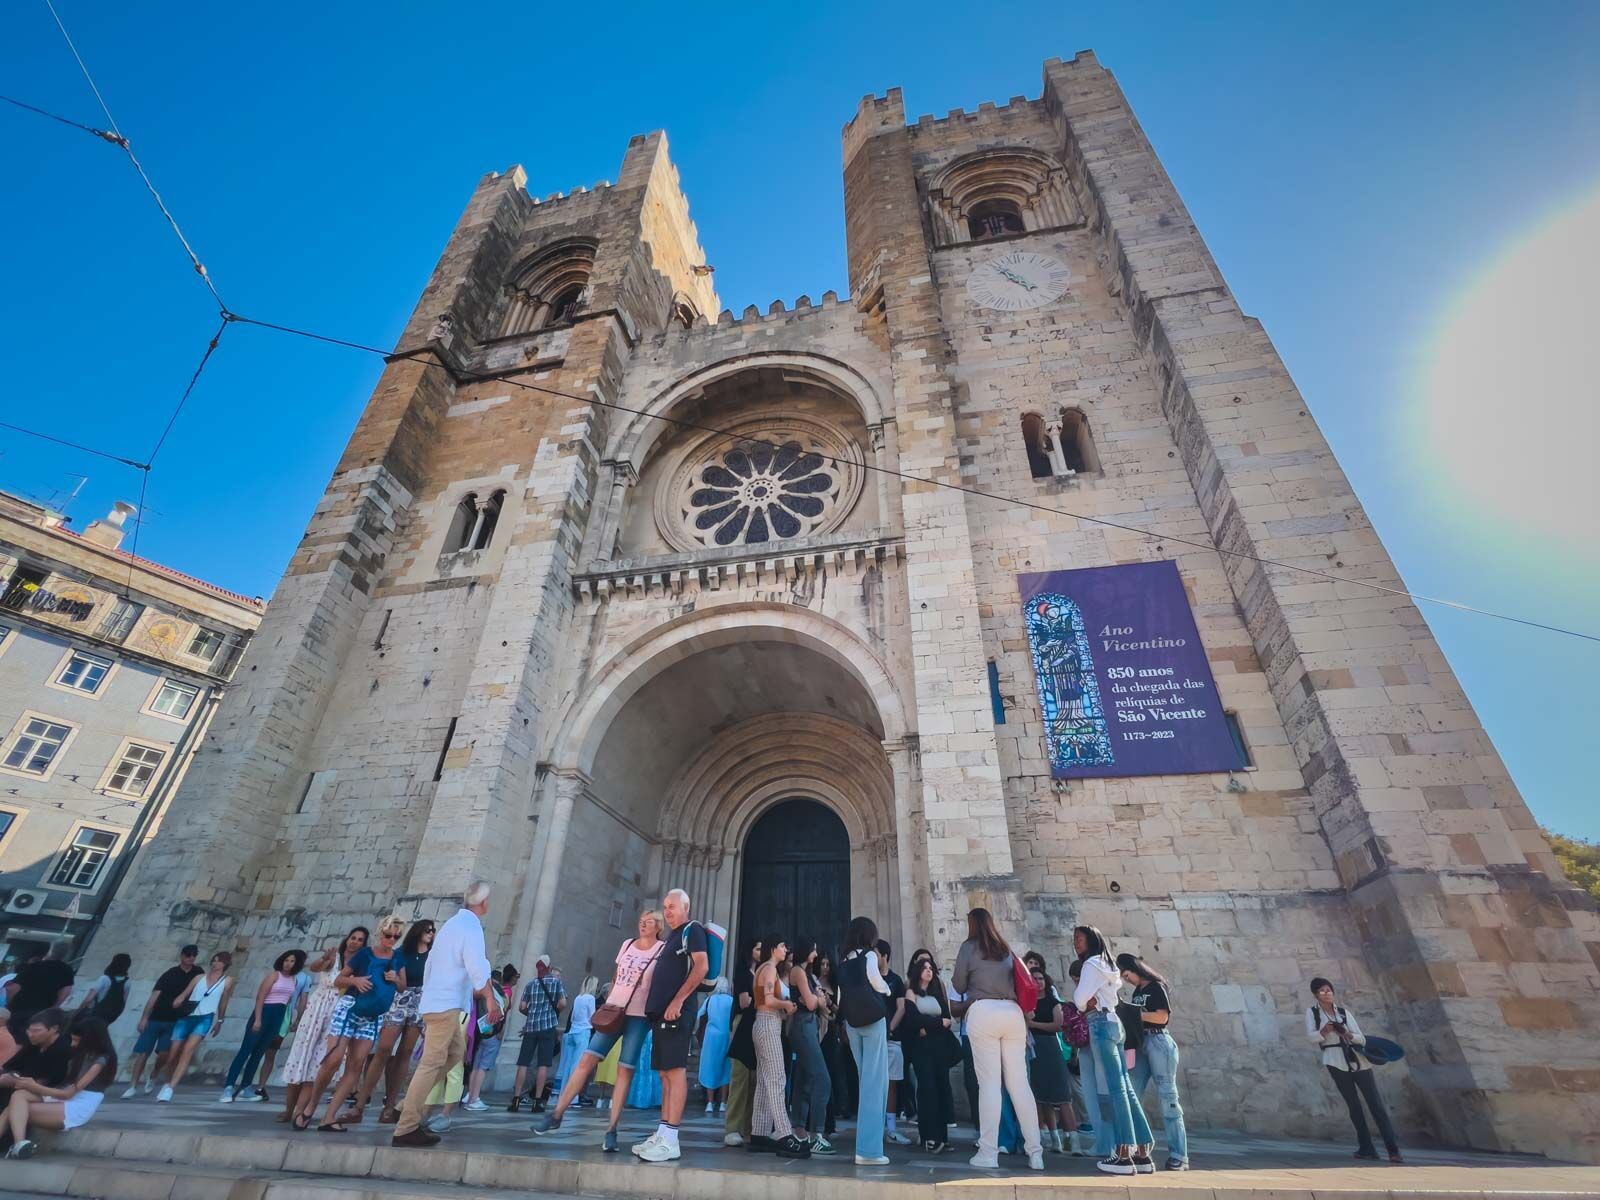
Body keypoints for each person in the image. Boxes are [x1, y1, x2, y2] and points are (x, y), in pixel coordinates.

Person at [533, 909, 664, 1152]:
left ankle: (612, 1129)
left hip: (639, 1016)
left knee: (625, 1070)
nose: (643, 925)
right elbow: (616, 976)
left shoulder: (662, 950)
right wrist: (612, 999)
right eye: (641, 921)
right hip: (614, 1011)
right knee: (587, 1059)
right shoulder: (627, 945)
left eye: (648, 922)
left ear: (658, 925)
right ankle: (556, 1114)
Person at [392, 881, 501, 1148]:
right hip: (444, 1004)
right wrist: (490, 998)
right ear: (484, 903)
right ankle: (406, 1127)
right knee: (432, 1061)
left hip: (440, 1002)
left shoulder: (453, 925)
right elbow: (476, 965)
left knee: (454, 1054)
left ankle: (406, 1105)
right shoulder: (470, 926)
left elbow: (431, 964)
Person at [952, 907, 1043, 1171]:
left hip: (984, 1010)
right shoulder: (1005, 949)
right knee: (1020, 1085)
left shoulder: (969, 947)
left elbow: (958, 986)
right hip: (1013, 1013)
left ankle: (988, 1152)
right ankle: (1035, 1153)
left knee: (990, 1085)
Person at [299, 917, 401, 1131]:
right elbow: (339, 980)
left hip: (373, 1016)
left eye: (396, 936)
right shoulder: (365, 954)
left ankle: (329, 1117)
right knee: (333, 1060)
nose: (392, 939)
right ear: (379, 933)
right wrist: (355, 980)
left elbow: (402, 986)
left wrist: (396, 979)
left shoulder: (397, 958)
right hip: (350, 1008)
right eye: (388, 935)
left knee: (356, 1064)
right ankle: (310, 1107)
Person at [632, 888, 709, 1164]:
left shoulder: (693, 930)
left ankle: (672, 1139)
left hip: (678, 1013)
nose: (667, 911)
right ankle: (662, 1132)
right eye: (665, 907)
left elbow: (701, 967)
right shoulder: (672, 937)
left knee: (675, 1073)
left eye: (672, 906)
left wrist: (677, 1000)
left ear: (685, 907)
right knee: (665, 1073)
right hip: (662, 1016)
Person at [1073, 927, 1153, 1175]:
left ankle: (1122, 1153)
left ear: (1092, 940)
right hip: (1115, 1024)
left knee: (1116, 1089)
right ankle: (1142, 1152)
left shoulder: (1091, 965)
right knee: (1125, 1088)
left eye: (1080, 938)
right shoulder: (1108, 964)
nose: (1076, 943)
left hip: (1100, 1023)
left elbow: (1079, 998)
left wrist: (1085, 1001)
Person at [1306, 978, 1401, 1163]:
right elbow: (1312, 1037)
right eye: (1322, 991)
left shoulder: (1343, 1013)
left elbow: (1361, 1038)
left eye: (1329, 990)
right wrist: (1325, 1031)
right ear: (1316, 995)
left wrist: (1346, 1033)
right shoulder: (1312, 1013)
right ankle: (1367, 1147)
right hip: (1334, 1059)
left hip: (1358, 1060)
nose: (1326, 993)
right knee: (1354, 1105)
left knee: (1375, 1104)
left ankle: (1393, 1149)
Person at [350, 918, 435, 1124]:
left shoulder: (434, 956)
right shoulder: (401, 954)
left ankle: (389, 1106)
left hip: (420, 1001)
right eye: (427, 930)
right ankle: (360, 1104)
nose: (431, 933)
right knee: (384, 1049)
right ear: (418, 932)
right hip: (400, 999)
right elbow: (397, 979)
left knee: (405, 1052)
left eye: (433, 931)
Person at [1, 1016, 116, 1158]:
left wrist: (34, 1086)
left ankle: (19, 1144)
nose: (72, 1044)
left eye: (76, 1041)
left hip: (80, 1102)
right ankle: (20, 1144)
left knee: (14, 1108)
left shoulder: (101, 1060)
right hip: (63, 1094)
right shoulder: (79, 1055)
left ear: (89, 1041)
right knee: (19, 1095)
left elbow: (69, 1094)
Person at [1116, 953, 1188, 1170]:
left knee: (1168, 1097)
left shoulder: (1156, 986)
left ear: (1134, 968)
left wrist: (1134, 1012)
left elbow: (1161, 1017)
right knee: (1133, 1095)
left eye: (1126, 974)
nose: (1126, 979)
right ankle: (1139, 1150)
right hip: (1141, 1043)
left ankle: (1179, 1154)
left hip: (1158, 1041)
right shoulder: (1138, 991)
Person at [280, 931, 360, 1123]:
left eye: (360, 940)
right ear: (347, 939)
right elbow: (315, 968)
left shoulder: (360, 964)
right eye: (353, 938)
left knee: (319, 1060)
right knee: (301, 1055)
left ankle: (300, 1110)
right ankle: (289, 1109)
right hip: (316, 1010)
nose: (355, 942)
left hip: (338, 1011)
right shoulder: (335, 958)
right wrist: (325, 959)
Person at [746, 934, 806, 1158]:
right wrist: (787, 1005)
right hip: (768, 1022)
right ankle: (783, 1132)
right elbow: (768, 1000)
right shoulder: (769, 969)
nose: (785, 949)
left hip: (762, 1023)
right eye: (782, 945)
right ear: (773, 948)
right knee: (777, 1078)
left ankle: (760, 1132)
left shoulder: (762, 969)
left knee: (764, 1079)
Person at [221, 949, 306, 1102]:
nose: (288, 964)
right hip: (265, 1011)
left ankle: (246, 1087)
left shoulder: (294, 980)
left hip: (278, 1015)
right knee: (246, 1050)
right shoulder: (274, 976)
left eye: (292, 961)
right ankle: (229, 1087)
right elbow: (261, 996)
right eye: (286, 960)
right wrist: (258, 1019)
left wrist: (285, 1022)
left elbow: (287, 1001)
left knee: (259, 1053)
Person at [839, 916, 891, 1166]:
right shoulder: (868, 955)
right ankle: (869, 1151)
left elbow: (841, 996)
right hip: (871, 1021)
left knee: (865, 1083)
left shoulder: (844, 959)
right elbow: (876, 981)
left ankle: (865, 1146)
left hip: (852, 1024)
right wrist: (888, 990)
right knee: (875, 1084)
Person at [122, 944, 201, 1098]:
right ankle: (132, 1086)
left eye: (194, 955)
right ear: (182, 956)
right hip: (157, 1017)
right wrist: (144, 1018)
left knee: (165, 1054)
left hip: (175, 1020)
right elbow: (154, 996)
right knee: (143, 1052)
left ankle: (154, 1073)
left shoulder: (198, 973)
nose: (191, 958)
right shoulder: (170, 974)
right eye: (188, 954)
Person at [159, 952, 235, 1102]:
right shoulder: (199, 978)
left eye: (219, 961)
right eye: (214, 960)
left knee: (188, 1050)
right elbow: (186, 993)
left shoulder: (227, 981)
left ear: (225, 964)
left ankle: (170, 1088)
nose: (215, 963)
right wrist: (178, 1000)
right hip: (187, 1016)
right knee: (173, 1053)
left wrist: (220, 1021)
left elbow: (223, 1001)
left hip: (205, 1018)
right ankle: (167, 1081)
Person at [899, 955, 953, 1153]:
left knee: (940, 1088)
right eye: (925, 968)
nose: (929, 971)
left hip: (938, 1046)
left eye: (931, 968)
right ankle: (929, 1136)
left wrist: (928, 1026)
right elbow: (913, 1020)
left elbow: (947, 1019)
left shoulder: (937, 993)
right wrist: (936, 1024)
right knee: (927, 1089)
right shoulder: (911, 993)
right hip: (921, 1049)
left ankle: (942, 1137)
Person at [786, 937, 834, 1154]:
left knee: (805, 1079)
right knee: (822, 1079)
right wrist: (817, 999)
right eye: (814, 950)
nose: (816, 955)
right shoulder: (797, 971)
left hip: (810, 1026)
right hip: (802, 1026)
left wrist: (817, 999)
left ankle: (799, 1130)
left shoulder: (809, 975)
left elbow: (819, 1000)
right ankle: (816, 1133)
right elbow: (814, 1002)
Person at [1026, 964, 1075, 1153]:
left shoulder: (1053, 1002)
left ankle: (1072, 1139)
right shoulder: (1028, 1002)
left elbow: (1057, 1025)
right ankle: (1049, 1137)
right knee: (1038, 1093)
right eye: (1034, 979)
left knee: (1062, 1093)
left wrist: (1033, 1023)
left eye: (1040, 979)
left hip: (1050, 1045)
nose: (1038, 982)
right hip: (1034, 1046)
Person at [511, 955, 566, 1113]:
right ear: (549, 967)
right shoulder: (556, 983)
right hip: (547, 1027)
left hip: (531, 1027)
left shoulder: (530, 984)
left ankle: (516, 1099)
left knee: (523, 1063)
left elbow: (521, 1006)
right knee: (543, 1064)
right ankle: (537, 1100)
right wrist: (551, 1012)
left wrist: (533, 1013)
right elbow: (563, 1003)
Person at [0, 1007, 73, 1125]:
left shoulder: (62, 1050)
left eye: (36, 1031)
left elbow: (45, 1082)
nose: (30, 1035)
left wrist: (13, 1080)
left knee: (11, 1098)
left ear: (54, 1029)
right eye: (29, 1030)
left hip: (43, 1093)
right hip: (18, 1084)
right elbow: (9, 1066)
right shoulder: (34, 1044)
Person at [721, 937, 761, 1148]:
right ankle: (732, 1127)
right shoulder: (743, 973)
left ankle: (748, 1127)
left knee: (753, 1078)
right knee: (740, 1077)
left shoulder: (759, 972)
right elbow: (744, 1002)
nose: (760, 952)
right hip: (743, 1023)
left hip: (756, 1023)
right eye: (757, 948)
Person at [464, 963, 519, 1111]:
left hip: (480, 1030)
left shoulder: (481, 989)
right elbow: (503, 1012)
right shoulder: (500, 992)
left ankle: (469, 1095)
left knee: (476, 1064)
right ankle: (474, 1098)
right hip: (492, 1031)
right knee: (483, 1066)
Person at [875, 939, 911, 1146]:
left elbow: (901, 1007)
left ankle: (891, 1128)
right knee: (873, 1082)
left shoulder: (896, 981)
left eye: (876, 953)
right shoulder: (868, 978)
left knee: (892, 1084)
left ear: (885, 956)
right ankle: (875, 1125)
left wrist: (889, 1030)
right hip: (873, 1037)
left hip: (891, 1038)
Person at [4, 947, 74, 1048]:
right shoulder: (66, 970)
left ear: (50, 951)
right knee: (28, 1040)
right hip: (42, 1011)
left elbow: (13, 988)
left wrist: (9, 1003)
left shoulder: (34, 966)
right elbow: (66, 991)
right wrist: (54, 1007)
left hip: (19, 1007)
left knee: (9, 1037)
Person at [553, 974, 598, 1104]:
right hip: (583, 1032)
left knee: (567, 1066)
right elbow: (593, 1016)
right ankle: (572, 1097)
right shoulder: (590, 998)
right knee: (577, 1066)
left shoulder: (578, 998)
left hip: (573, 1031)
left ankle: (563, 1095)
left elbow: (572, 1017)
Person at [697, 976, 733, 1113]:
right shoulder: (731, 1001)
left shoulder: (710, 1000)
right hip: (727, 1036)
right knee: (725, 1069)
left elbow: (699, 1015)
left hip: (711, 1037)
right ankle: (723, 1102)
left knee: (710, 1068)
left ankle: (710, 1103)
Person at [74, 954, 131, 1027]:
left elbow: (89, 999)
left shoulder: (104, 979)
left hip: (95, 1014)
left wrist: (77, 1011)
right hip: (109, 1017)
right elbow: (123, 1002)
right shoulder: (127, 982)